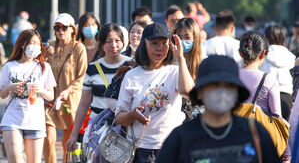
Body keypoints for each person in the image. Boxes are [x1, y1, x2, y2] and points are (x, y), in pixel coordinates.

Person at [156, 55, 280, 163]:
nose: (222, 92)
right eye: (214, 85)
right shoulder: (180, 138)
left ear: (237, 92)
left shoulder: (255, 132)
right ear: (200, 91)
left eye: (229, 86)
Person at [115, 23, 194, 162]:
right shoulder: (131, 75)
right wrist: (133, 115)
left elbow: (188, 92)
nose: (160, 48)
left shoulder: (174, 72)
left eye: (164, 43)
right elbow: (119, 118)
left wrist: (180, 58)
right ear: (144, 44)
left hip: (172, 146)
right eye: (154, 43)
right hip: (141, 150)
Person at [66, 23, 131, 151]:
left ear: (123, 43)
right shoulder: (92, 68)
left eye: (117, 41)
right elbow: (84, 104)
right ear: (101, 44)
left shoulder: (132, 65)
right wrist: (74, 135)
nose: (114, 45)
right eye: (108, 41)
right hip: (97, 129)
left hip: (124, 128)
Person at [0, 29, 56, 163]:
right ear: (22, 44)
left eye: (38, 43)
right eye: (32, 43)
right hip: (12, 120)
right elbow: (2, 94)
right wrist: (9, 87)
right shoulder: (9, 66)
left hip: (35, 121)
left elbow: (50, 96)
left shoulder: (44, 67)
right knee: (15, 160)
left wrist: (41, 90)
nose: (35, 46)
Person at [43, 13, 88, 163]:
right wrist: (42, 55)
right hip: (50, 100)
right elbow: (37, 68)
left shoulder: (78, 48)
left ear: (72, 29)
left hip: (70, 101)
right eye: (57, 27)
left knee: (67, 143)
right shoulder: (49, 46)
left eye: (64, 27)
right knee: (48, 139)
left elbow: (82, 77)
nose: (60, 31)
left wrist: (67, 91)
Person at [239, 31, 282, 117]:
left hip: (234, 127)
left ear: (240, 54)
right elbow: (276, 114)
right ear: (263, 54)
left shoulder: (230, 76)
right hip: (259, 128)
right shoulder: (269, 80)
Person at [259, 25, 295, 120]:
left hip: (265, 98)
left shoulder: (262, 56)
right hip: (287, 98)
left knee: (266, 132)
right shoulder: (291, 57)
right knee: (283, 131)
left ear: (265, 37)